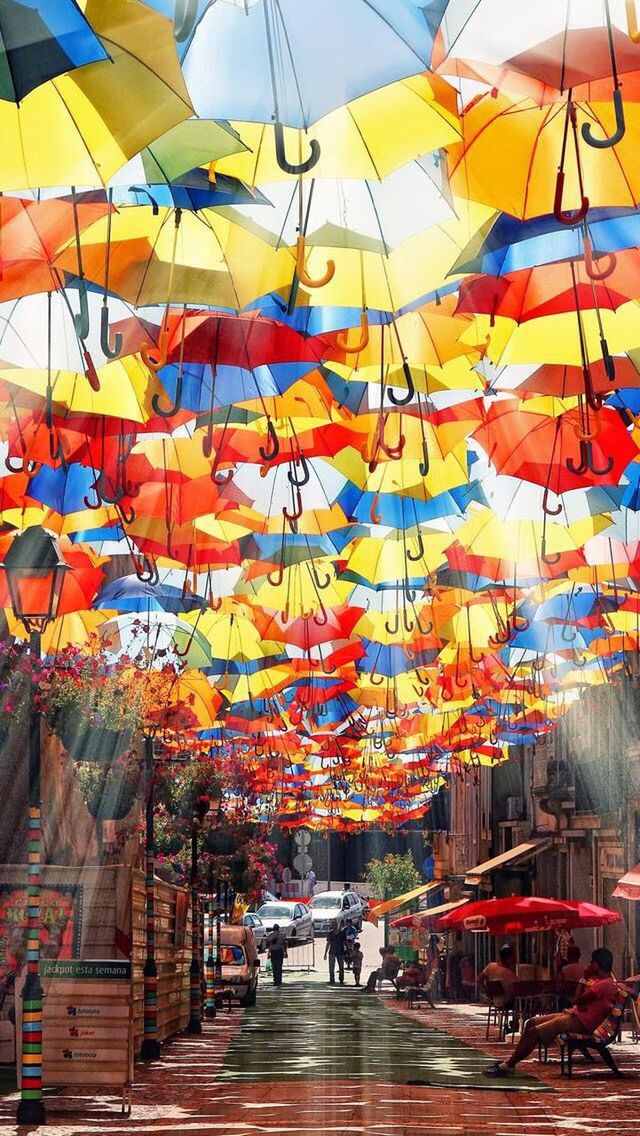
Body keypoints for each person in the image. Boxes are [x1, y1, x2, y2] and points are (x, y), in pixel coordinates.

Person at [484, 947, 618, 1078]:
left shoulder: (603, 985)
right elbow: (584, 1003)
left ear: (597, 964)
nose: (589, 965)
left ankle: (508, 1065)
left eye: (591, 962)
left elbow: (577, 1000)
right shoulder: (602, 982)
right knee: (530, 1023)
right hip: (573, 1015)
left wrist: (583, 978)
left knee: (533, 1032)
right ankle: (511, 1062)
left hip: (580, 1022)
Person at [479, 943, 517, 1009]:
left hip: (494, 1001)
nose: (515, 957)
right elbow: (516, 991)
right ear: (508, 957)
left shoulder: (490, 966)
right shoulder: (511, 975)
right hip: (507, 1003)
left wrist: (487, 990)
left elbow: (479, 979)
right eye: (513, 955)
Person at [325, 919, 347, 984]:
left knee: (341, 966)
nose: (334, 926)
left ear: (337, 925)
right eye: (333, 924)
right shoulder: (330, 934)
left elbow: (345, 942)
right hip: (332, 951)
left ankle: (341, 979)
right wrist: (325, 953)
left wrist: (348, 950)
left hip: (340, 951)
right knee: (331, 967)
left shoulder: (342, 933)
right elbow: (328, 944)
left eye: (335, 924)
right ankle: (332, 979)